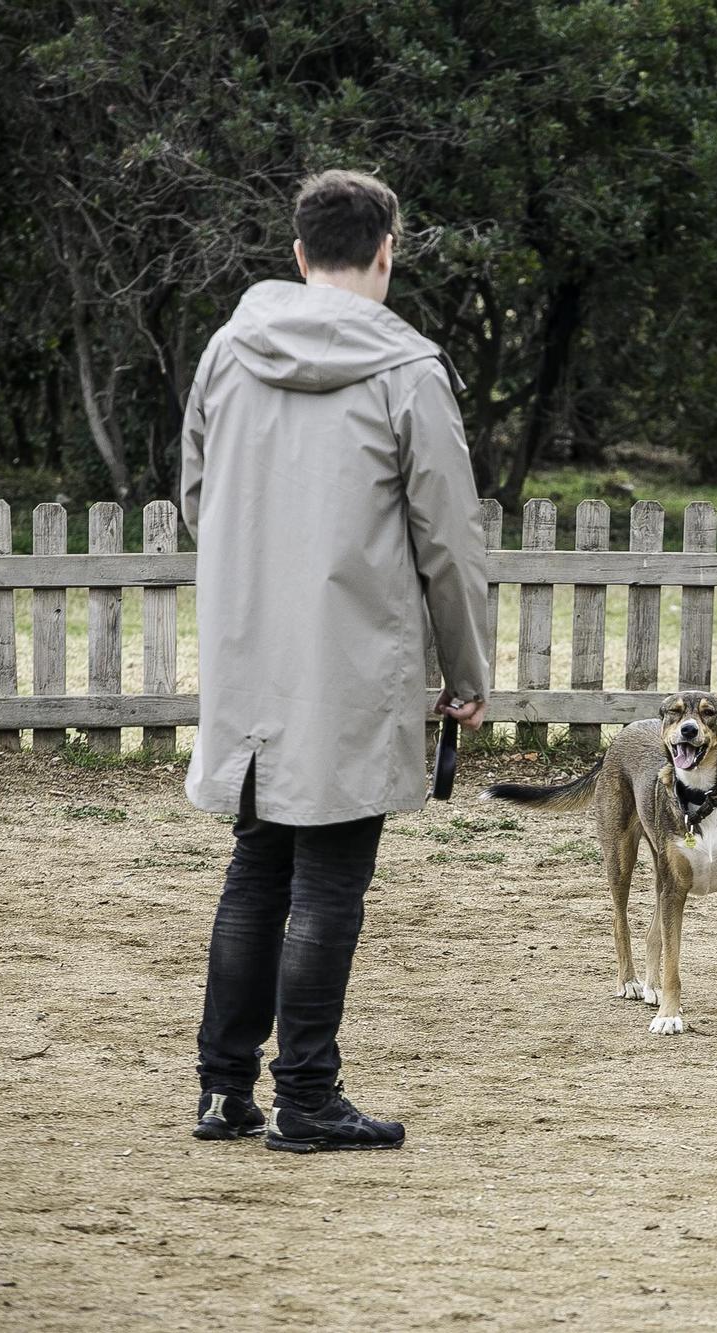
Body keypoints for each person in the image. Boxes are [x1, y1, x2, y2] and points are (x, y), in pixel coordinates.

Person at [178, 168, 490, 1153]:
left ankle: (225, 1091)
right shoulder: (409, 370)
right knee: (327, 882)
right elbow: (446, 539)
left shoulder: (228, 351)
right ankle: (306, 1098)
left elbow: (196, 493)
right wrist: (467, 669)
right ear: (386, 252)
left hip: (251, 655)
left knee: (257, 864)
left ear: (300, 252)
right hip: (355, 660)